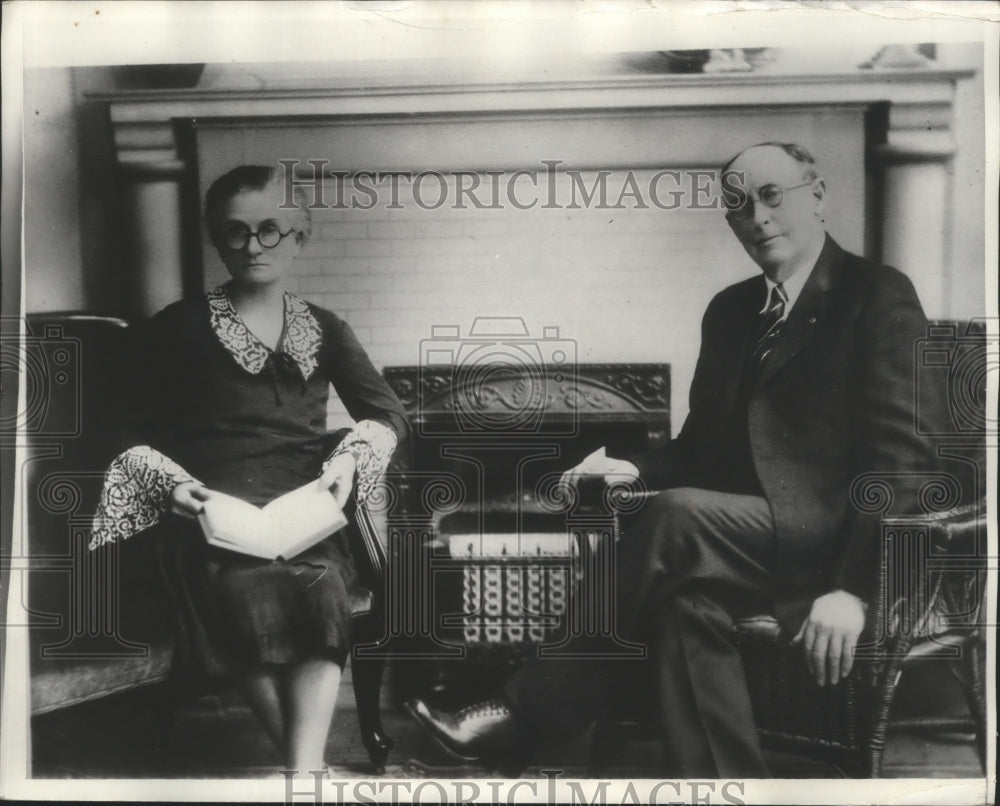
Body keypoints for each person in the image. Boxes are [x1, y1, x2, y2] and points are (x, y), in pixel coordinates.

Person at [405, 142, 934, 777]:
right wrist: (632, 468)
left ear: (816, 197)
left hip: (828, 541)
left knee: (672, 517)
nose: (757, 216)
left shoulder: (876, 295)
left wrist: (852, 589)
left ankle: (526, 714)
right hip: (743, 546)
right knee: (683, 609)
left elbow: (903, 461)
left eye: (772, 196)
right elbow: (701, 445)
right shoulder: (732, 311)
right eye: (738, 205)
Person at [89, 165, 408, 774]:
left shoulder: (327, 328)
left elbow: (387, 413)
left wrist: (347, 460)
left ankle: (300, 768)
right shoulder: (179, 325)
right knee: (241, 587)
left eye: (270, 230)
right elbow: (120, 423)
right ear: (216, 238)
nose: (254, 246)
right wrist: (171, 485)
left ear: (299, 236)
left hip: (305, 508)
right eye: (235, 233)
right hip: (210, 510)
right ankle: (307, 772)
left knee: (320, 586)